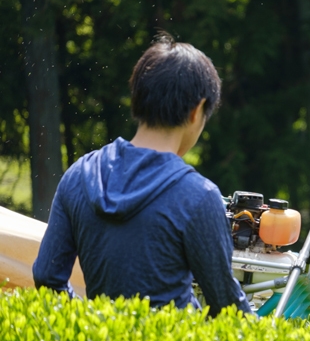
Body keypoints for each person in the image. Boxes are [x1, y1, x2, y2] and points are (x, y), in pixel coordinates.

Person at [33, 32, 252, 318]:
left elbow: (48, 279)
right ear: (197, 111)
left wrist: (96, 325)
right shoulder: (198, 196)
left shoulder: (78, 175)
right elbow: (228, 311)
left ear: (137, 97)